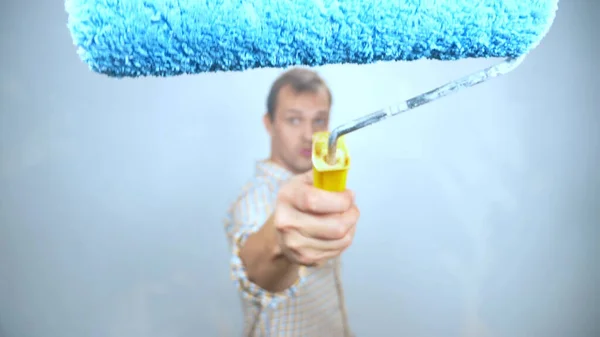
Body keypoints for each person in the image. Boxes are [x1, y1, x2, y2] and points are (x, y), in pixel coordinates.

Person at [224, 67, 361, 337]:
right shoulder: (252, 201)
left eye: (319, 121)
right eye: (294, 120)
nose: (309, 135)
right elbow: (255, 274)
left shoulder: (320, 187)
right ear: (269, 123)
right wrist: (280, 243)